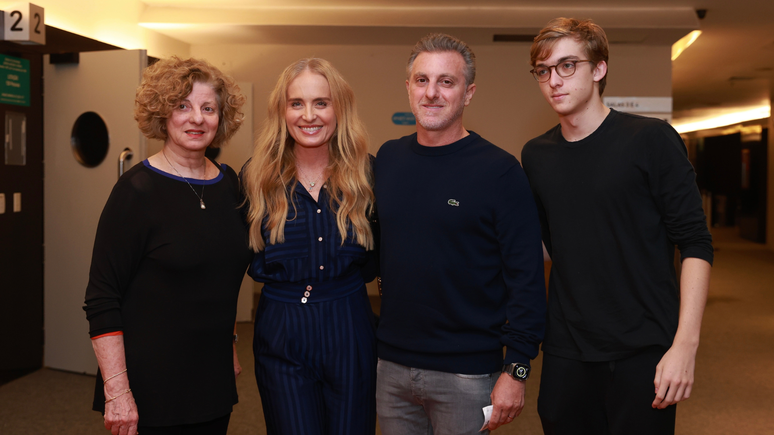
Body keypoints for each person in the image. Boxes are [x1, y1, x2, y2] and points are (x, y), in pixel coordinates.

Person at [521, 18, 714, 435]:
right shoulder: (536, 155)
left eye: (568, 65)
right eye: (543, 70)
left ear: (599, 68)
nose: (554, 80)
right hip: (567, 349)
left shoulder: (651, 140)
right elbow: (548, 246)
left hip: (642, 347)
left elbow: (696, 243)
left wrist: (685, 345)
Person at [374, 33, 546, 434]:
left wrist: (516, 369)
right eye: (422, 80)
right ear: (408, 87)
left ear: (468, 93)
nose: (431, 93)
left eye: (446, 82)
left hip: (466, 375)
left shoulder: (499, 172)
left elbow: (526, 277)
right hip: (392, 369)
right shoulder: (388, 159)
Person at [83, 57, 251, 435]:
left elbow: (216, 278)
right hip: (150, 387)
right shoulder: (135, 191)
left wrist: (231, 344)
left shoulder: (230, 186)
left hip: (212, 379)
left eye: (208, 108)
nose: (197, 118)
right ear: (162, 113)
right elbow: (102, 297)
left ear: (221, 118)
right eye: (182, 106)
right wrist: (117, 391)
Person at [241, 58, 378, 435]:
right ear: (282, 111)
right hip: (281, 328)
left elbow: (385, 259)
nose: (308, 115)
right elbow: (232, 263)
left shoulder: (368, 175)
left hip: (349, 321)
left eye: (321, 102)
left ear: (340, 109)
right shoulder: (255, 177)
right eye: (296, 103)